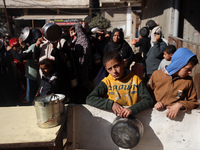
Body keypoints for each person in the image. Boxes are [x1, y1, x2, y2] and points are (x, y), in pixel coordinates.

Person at [86, 50, 155, 118]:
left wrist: (132, 109)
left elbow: (148, 100)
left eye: (116, 66)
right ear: (106, 69)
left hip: (131, 119)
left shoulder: (135, 80)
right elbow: (90, 99)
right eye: (110, 69)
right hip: (112, 119)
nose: (114, 71)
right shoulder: (106, 82)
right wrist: (111, 104)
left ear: (123, 63)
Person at [148, 47, 199, 119]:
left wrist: (180, 104)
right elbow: (147, 95)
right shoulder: (157, 75)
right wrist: (155, 103)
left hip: (176, 119)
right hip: (154, 117)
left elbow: (194, 103)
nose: (190, 72)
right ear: (178, 65)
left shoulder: (188, 81)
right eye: (188, 69)